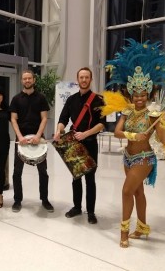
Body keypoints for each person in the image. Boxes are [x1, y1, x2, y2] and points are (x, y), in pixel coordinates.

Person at [103, 39, 165, 248]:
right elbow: (116, 132)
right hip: (128, 158)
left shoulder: (153, 115)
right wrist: (133, 136)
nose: (140, 97)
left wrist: (163, 123)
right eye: (136, 94)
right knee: (137, 192)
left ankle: (124, 231)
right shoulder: (127, 111)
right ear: (132, 93)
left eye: (143, 94)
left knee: (126, 191)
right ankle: (142, 226)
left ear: (148, 94)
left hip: (145, 158)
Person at [53, 67, 105, 224]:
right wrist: (58, 130)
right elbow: (63, 120)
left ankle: (91, 211)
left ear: (90, 79)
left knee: (90, 178)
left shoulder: (99, 100)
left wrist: (86, 133)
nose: (84, 80)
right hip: (73, 143)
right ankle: (76, 207)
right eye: (81, 77)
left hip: (90, 143)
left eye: (86, 77)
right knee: (76, 177)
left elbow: (102, 124)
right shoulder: (71, 99)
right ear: (77, 79)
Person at [9, 70, 54, 213]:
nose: (27, 81)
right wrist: (20, 137)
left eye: (29, 78)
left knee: (43, 172)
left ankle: (45, 199)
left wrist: (38, 136)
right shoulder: (16, 99)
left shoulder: (41, 98)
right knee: (17, 172)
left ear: (34, 80)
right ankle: (17, 200)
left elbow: (44, 118)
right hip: (21, 139)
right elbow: (13, 119)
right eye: (25, 79)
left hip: (38, 138)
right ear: (22, 81)